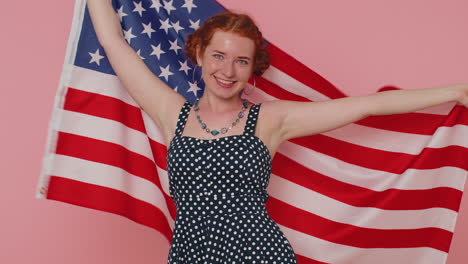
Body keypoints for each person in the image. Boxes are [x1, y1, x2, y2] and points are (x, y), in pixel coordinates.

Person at [87, 1, 468, 263]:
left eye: (241, 61)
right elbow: (113, 42)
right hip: (190, 254)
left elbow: (366, 105)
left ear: (253, 69)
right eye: (219, 56)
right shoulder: (172, 112)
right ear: (200, 54)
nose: (228, 70)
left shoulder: (271, 119)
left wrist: (454, 92)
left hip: (259, 254)